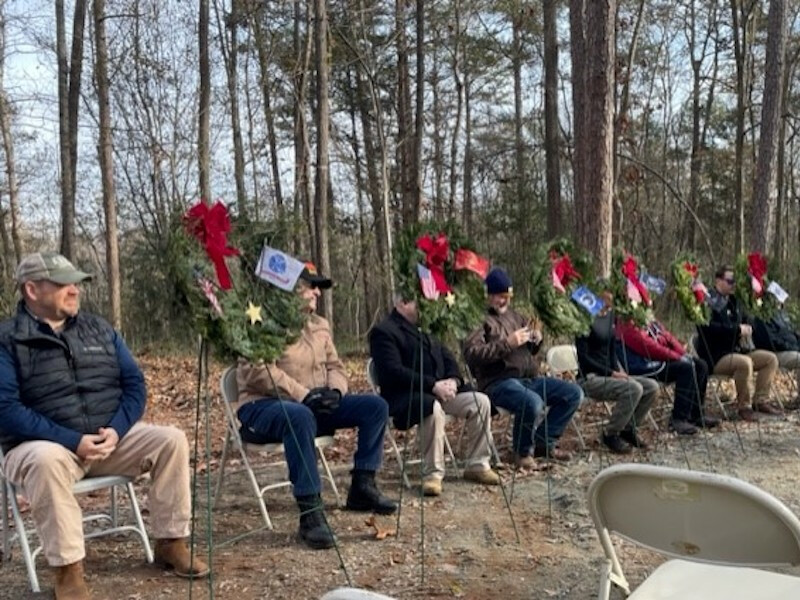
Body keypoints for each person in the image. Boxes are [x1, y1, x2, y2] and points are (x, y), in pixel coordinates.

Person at [0, 252, 208, 600]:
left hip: (106, 439)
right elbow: (6, 409)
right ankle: (68, 573)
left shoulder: (99, 328)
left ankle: (171, 542)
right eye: (63, 283)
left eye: (75, 284)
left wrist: (117, 429)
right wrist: (72, 440)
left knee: (170, 439)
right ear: (32, 290)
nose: (74, 290)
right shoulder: (7, 339)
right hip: (41, 445)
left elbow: (134, 385)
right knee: (46, 460)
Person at [236, 262, 396, 551]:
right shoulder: (260, 323)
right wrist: (303, 395)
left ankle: (362, 485)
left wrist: (335, 391)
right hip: (264, 407)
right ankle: (310, 513)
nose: (317, 294)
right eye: (311, 286)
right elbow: (257, 372)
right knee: (299, 416)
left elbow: (335, 365)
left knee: (375, 406)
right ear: (289, 288)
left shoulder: (319, 325)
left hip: (312, 406)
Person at [369, 296, 501, 497]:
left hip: (440, 392)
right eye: (417, 302)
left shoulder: (428, 328)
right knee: (430, 406)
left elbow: (450, 361)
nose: (424, 307)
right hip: (405, 395)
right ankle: (433, 474)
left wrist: (454, 382)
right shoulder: (384, 331)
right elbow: (392, 372)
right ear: (401, 304)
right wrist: (433, 385)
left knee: (480, 401)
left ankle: (477, 464)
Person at [463, 268, 583, 467]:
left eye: (507, 297)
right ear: (488, 295)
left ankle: (545, 442)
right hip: (497, 383)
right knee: (532, 402)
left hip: (528, 379)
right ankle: (522, 452)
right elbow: (472, 355)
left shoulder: (516, 317)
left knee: (573, 393)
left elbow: (531, 351)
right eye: (500, 297)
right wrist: (507, 344)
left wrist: (536, 340)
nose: (504, 301)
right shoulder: (477, 319)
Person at [575, 290, 659, 453]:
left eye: (610, 304)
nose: (608, 307)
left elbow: (612, 350)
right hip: (591, 378)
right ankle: (610, 433)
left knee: (651, 387)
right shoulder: (584, 321)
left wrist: (619, 370)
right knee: (633, 389)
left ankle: (628, 429)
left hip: (612, 374)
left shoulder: (611, 316)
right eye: (605, 303)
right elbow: (584, 359)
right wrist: (612, 373)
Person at [694, 266, 780, 421]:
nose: (733, 284)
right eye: (729, 281)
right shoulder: (708, 301)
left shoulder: (734, 301)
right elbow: (708, 329)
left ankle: (760, 401)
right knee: (745, 363)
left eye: (734, 281)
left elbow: (747, 321)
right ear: (718, 281)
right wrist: (736, 330)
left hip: (739, 349)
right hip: (718, 355)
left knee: (770, 359)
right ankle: (744, 407)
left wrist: (749, 328)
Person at [617, 316, 718, 434]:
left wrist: (682, 354)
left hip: (660, 357)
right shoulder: (625, 323)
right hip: (642, 363)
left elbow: (667, 336)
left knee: (701, 365)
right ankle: (678, 418)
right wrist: (676, 357)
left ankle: (696, 414)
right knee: (685, 369)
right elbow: (646, 346)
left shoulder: (646, 317)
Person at [753, 303, 800, 405]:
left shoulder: (782, 316)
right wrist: (794, 347)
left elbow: (792, 334)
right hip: (776, 352)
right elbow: (772, 342)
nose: (780, 303)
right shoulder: (762, 317)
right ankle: (761, 401)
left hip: (791, 349)